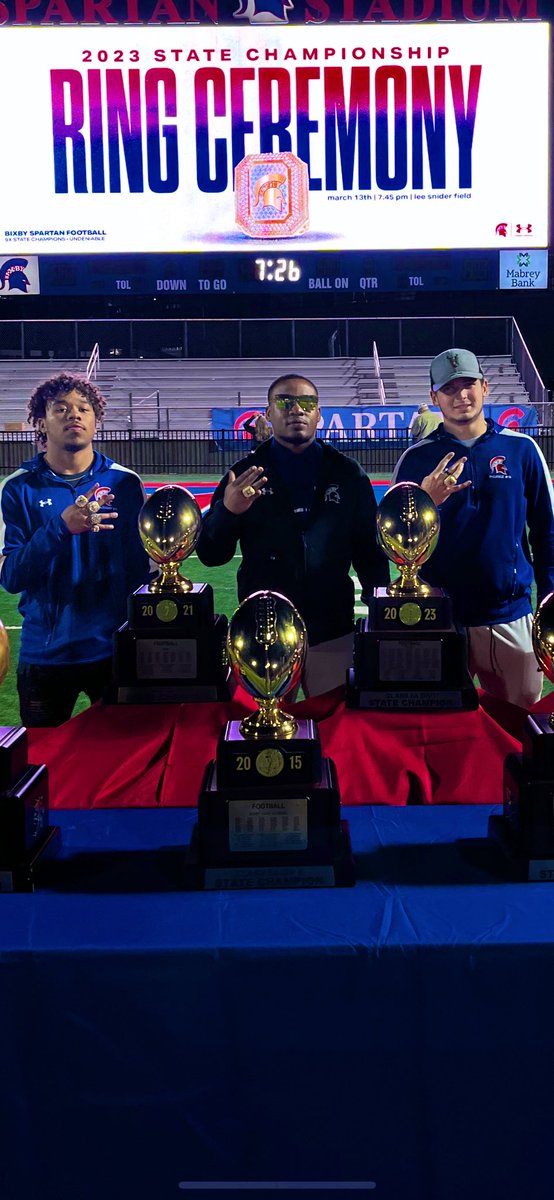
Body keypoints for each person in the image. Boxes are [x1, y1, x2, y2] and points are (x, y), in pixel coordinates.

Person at [196, 372, 389, 696]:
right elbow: (212, 555)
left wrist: (380, 608)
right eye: (285, 401)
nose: (296, 409)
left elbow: (369, 551)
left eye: (306, 402)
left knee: (334, 730)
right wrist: (228, 512)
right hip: (263, 633)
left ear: (318, 413)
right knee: (268, 738)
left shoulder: (347, 473)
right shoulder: (244, 474)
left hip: (332, 629)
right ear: (268, 414)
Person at [392, 347, 554, 708]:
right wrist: (426, 500)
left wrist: (548, 604)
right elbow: (393, 540)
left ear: (485, 386)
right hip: (440, 619)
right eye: (449, 389)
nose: (461, 395)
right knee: (445, 731)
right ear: (434, 397)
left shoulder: (522, 449)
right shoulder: (416, 458)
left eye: (468, 385)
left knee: (520, 727)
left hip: (511, 616)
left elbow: (547, 533)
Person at [0, 372, 151, 726]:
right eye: (61, 408)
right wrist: (59, 528)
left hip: (114, 651)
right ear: (40, 420)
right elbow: (11, 576)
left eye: (84, 408)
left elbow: (141, 569)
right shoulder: (17, 488)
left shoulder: (125, 483)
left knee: (123, 761)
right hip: (46, 654)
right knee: (43, 766)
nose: (74, 415)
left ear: (96, 421)